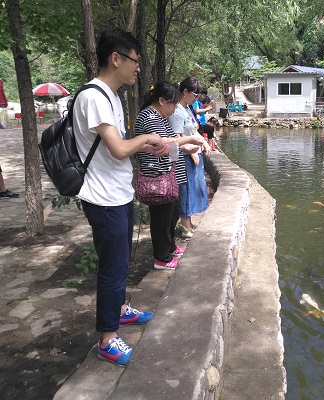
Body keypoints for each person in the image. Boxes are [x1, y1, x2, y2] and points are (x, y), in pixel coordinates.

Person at [73, 27, 168, 367]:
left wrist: (147, 141)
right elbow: (117, 150)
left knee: (122, 260)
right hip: (102, 198)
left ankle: (121, 310)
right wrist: (146, 139)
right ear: (116, 58)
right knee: (112, 268)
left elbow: (120, 147)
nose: (138, 68)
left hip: (118, 194)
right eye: (134, 61)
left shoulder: (112, 96)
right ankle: (107, 339)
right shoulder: (94, 96)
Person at [135, 82, 205, 270]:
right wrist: (189, 139)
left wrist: (184, 146)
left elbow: (170, 143)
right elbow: (161, 142)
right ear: (161, 100)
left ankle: (170, 246)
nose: (174, 109)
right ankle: (162, 258)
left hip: (167, 174)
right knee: (161, 218)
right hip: (156, 176)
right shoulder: (149, 117)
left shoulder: (159, 116)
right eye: (173, 104)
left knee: (171, 212)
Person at [168, 77, 211, 238]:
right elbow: (175, 137)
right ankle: (185, 226)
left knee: (194, 189)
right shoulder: (177, 112)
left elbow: (193, 130)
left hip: (194, 153)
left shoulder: (187, 109)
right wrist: (191, 151)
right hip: (184, 157)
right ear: (185, 91)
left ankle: (189, 221)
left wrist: (203, 143)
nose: (197, 98)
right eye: (195, 94)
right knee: (186, 189)